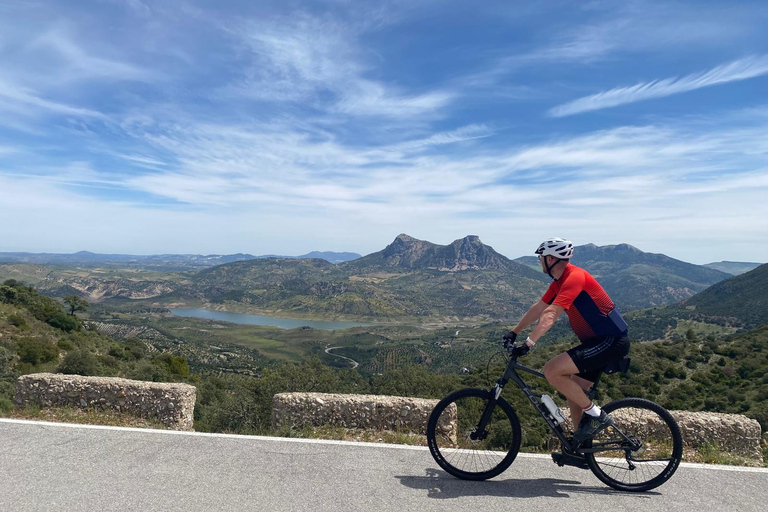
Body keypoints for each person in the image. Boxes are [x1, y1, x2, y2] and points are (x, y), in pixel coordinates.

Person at [503, 237, 630, 450]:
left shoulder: (575, 277)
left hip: (610, 341)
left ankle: (597, 415)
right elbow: (539, 307)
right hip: (597, 341)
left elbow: (551, 314)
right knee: (575, 390)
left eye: (541, 258)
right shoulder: (559, 282)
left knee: (552, 370)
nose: (539, 262)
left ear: (550, 258)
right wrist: (513, 332)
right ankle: (580, 448)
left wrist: (528, 343)